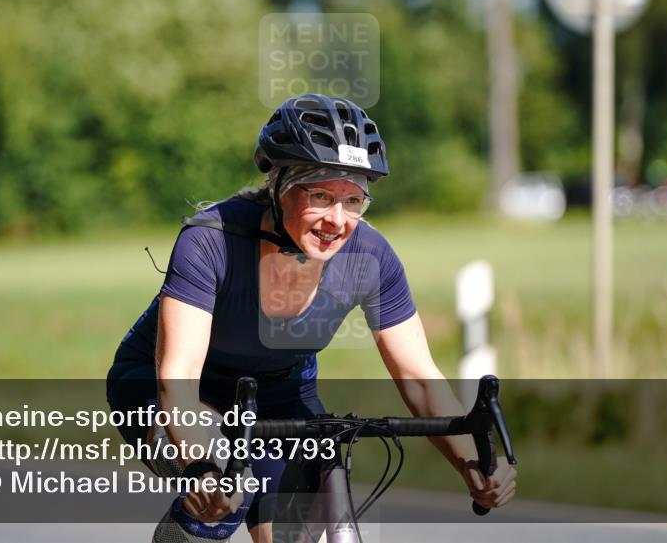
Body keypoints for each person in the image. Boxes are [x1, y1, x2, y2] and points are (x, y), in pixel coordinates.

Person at [106, 93, 517, 543]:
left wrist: (473, 462)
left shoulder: (370, 255)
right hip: (162, 386)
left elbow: (419, 376)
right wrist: (200, 468)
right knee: (223, 486)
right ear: (280, 185)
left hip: (281, 398)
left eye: (354, 200)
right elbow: (178, 375)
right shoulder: (212, 240)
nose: (337, 219)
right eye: (320, 196)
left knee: (297, 532)